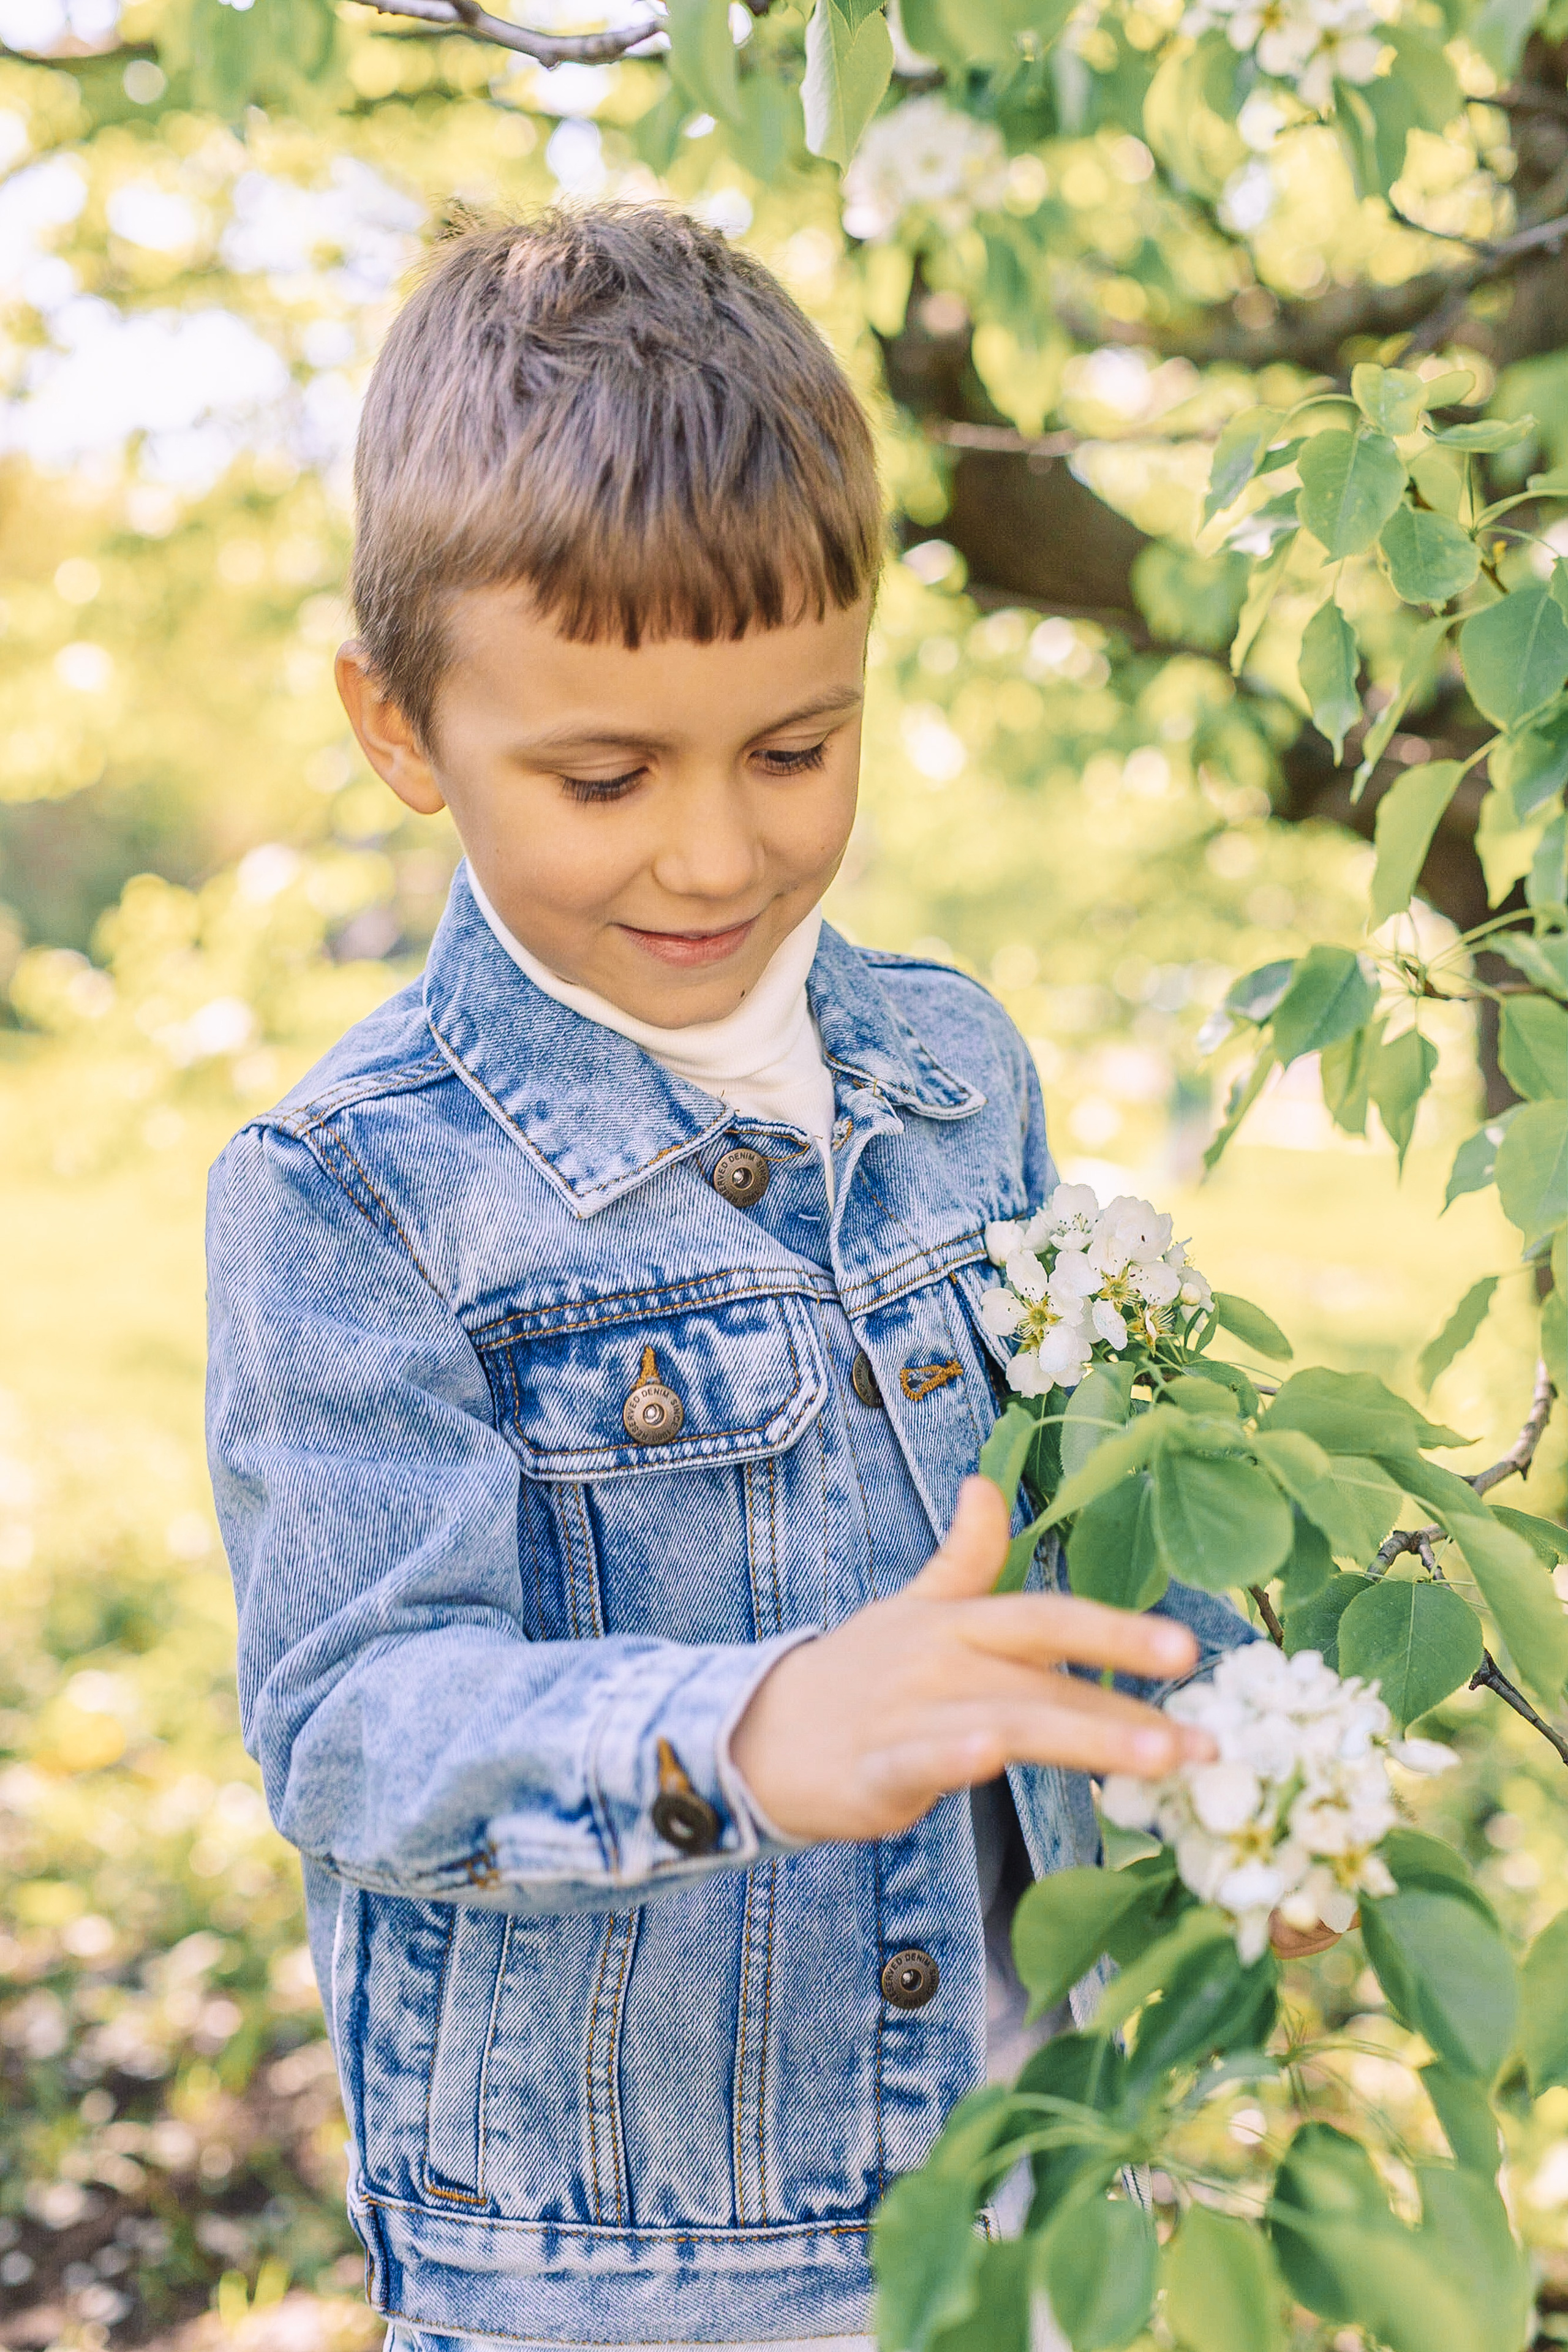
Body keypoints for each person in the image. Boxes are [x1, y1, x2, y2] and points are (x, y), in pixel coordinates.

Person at [206, 206, 1256, 2352]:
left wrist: (1236, 1735)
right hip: (636, 2275)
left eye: (796, 750)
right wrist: (757, 1731)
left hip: (1041, 2176)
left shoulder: (956, 1069)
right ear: (401, 731)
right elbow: (355, 1724)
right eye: (603, 776)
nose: (715, 855)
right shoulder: (350, 1190)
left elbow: (1088, 1495)